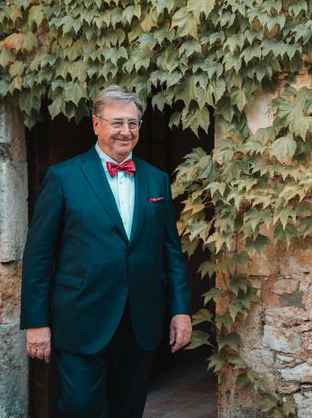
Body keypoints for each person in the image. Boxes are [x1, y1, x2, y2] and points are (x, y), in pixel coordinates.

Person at [20, 85, 192, 418]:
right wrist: (36, 323)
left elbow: (171, 251)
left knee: (128, 409)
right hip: (80, 318)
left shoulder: (157, 180)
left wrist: (181, 310)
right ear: (96, 124)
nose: (126, 131)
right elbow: (38, 256)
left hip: (140, 320)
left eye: (133, 123)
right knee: (82, 407)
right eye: (117, 123)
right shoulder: (63, 177)